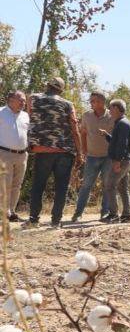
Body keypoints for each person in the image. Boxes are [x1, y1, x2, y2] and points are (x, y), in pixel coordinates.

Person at [26, 77, 83, 228]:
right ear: (61, 90)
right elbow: (75, 130)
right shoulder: (67, 104)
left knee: (38, 185)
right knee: (61, 187)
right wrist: (80, 153)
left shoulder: (33, 99)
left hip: (42, 150)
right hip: (64, 151)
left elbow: (28, 116)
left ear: (47, 85)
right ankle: (56, 222)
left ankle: (33, 220)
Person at [71, 91, 115, 222]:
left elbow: (117, 137)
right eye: (90, 101)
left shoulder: (112, 116)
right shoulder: (87, 115)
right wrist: (84, 150)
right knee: (86, 185)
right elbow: (83, 133)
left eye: (93, 101)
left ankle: (105, 213)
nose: (91, 103)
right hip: (92, 157)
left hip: (108, 157)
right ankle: (78, 214)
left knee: (107, 185)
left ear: (102, 102)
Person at [99, 99, 130, 223]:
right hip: (125, 160)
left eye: (111, 108)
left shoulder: (122, 124)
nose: (109, 111)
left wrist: (117, 161)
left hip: (122, 161)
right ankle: (126, 215)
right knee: (123, 188)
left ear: (117, 109)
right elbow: (117, 141)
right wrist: (107, 136)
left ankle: (113, 214)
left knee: (110, 185)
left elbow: (122, 145)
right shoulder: (122, 123)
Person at [0, 91, 29, 221]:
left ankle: (11, 211)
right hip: (4, 153)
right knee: (5, 184)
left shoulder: (26, 116)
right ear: (10, 100)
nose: (23, 102)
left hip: (22, 155)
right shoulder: (1, 112)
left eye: (24, 100)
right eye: (21, 100)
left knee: (17, 184)